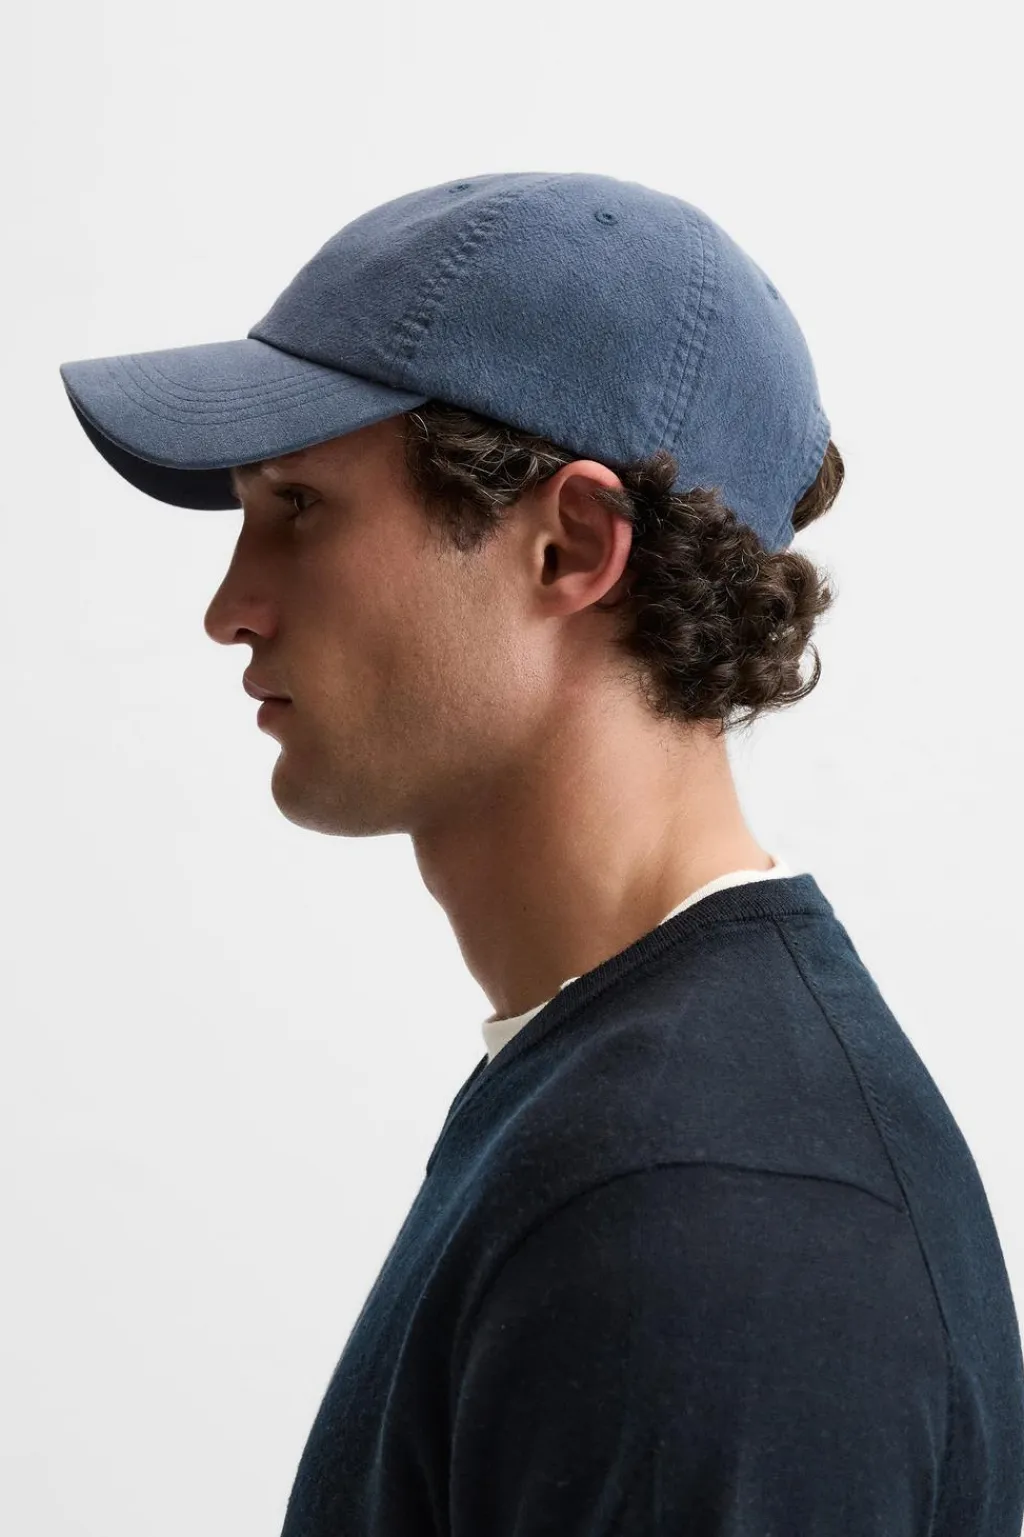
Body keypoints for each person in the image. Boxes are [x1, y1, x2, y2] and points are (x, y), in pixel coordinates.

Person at [59, 171, 1024, 1535]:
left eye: (301, 507)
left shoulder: (702, 1217)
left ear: (570, 547)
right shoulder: (639, 1116)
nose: (231, 608)